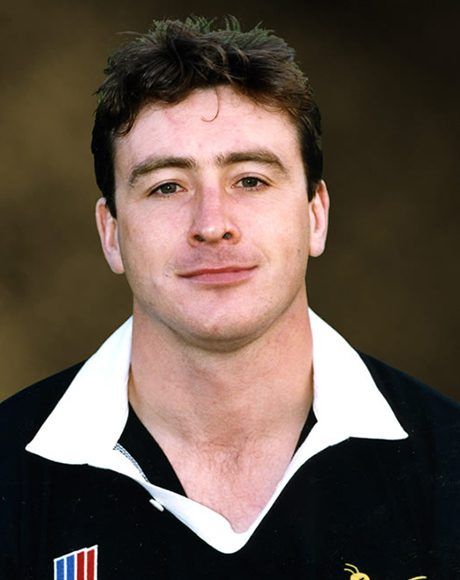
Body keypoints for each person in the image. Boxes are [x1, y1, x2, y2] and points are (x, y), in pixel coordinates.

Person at [1, 17, 459, 579]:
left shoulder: (449, 464)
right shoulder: (7, 475)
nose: (212, 224)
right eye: (167, 186)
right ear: (111, 233)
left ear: (315, 216)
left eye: (251, 180)